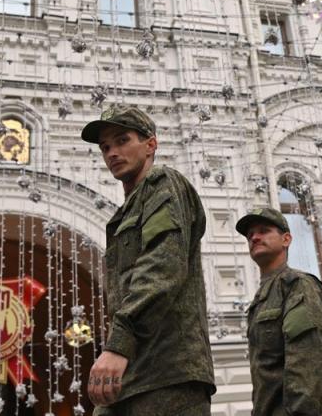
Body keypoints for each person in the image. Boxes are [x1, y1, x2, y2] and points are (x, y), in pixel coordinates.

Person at [81, 104, 215, 415]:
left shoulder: (163, 184)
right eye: (105, 147)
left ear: (150, 144)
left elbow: (162, 265)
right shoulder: (125, 212)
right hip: (132, 375)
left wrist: (118, 344)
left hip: (168, 374)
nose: (112, 152)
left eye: (123, 140)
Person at [236, 207, 322, 416]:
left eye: (264, 231)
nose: (254, 237)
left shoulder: (298, 285)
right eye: (250, 235)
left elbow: (306, 362)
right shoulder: (261, 299)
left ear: (286, 240)